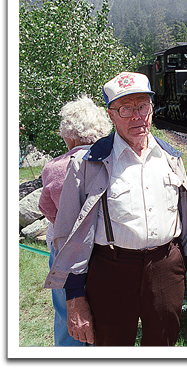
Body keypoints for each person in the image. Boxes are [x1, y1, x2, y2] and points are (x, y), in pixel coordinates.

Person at [43, 72, 187, 346]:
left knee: (163, 345)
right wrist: (74, 298)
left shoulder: (170, 157)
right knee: (111, 347)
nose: (136, 116)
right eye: (125, 108)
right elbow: (69, 235)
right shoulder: (88, 164)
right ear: (111, 114)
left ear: (152, 109)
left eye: (142, 106)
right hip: (111, 271)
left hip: (165, 267)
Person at [38, 95, 113, 346]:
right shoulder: (110, 163)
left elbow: (47, 210)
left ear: (69, 134)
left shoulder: (54, 167)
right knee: (104, 312)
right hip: (105, 249)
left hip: (65, 252)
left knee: (66, 313)